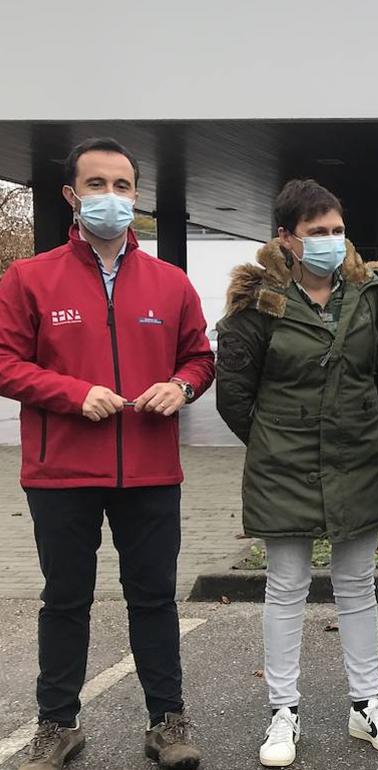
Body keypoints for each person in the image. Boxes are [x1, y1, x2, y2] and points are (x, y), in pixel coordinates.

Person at [0, 138, 214, 770]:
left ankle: (167, 723)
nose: (111, 198)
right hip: (61, 472)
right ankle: (57, 725)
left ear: (137, 196)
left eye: (122, 186)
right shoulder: (28, 277)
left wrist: (180, 387)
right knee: (65, 599)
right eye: (97, 185)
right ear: (72, 196)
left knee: (153, 598)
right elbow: (6, 363)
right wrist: (72, 394)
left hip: (150, 470)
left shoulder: (170, 283)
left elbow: (200, 359)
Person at [214, 179, 378, 767]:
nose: (330, 241)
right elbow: (233, 397)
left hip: (359, 457)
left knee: (357, 586)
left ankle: (366, 704)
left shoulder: (369, 293)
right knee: (286, 586)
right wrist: (277, 440)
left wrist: (357, 428)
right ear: (286, 238)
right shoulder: (259, 303)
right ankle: (283, 711)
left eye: (335, 230)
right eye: (315, 232)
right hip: (284, 464)